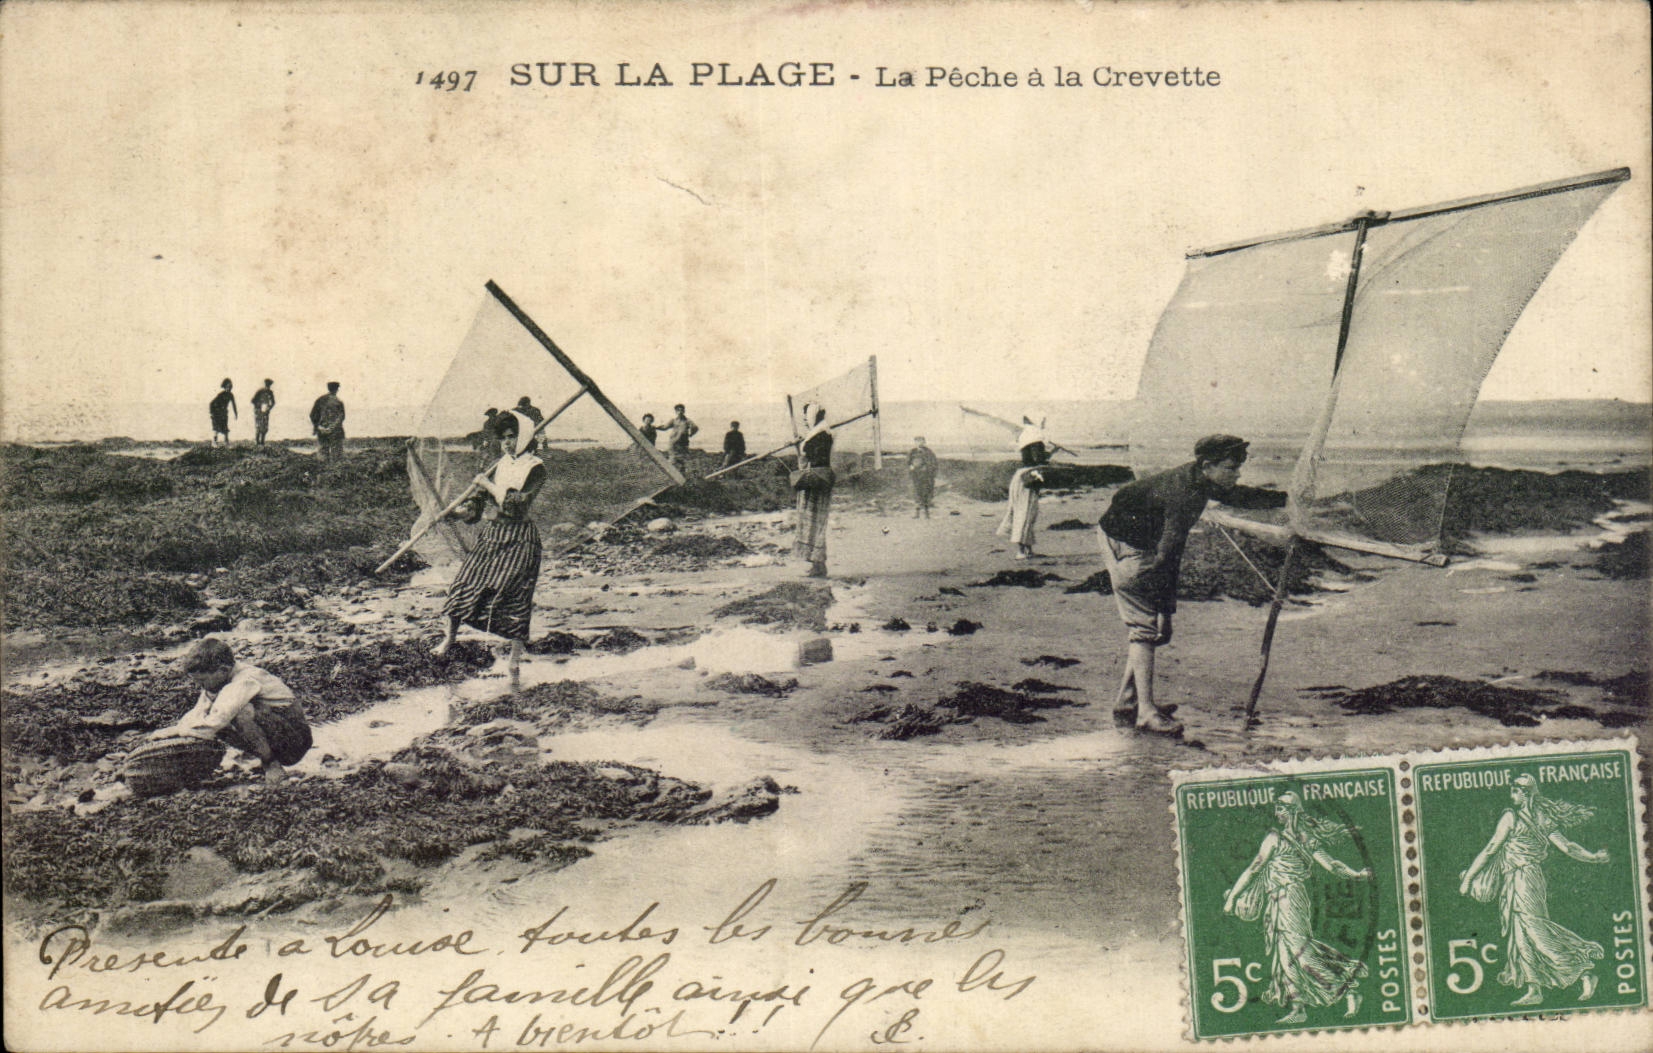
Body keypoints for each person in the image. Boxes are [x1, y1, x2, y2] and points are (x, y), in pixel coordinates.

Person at [1097, 434, 1287, 735]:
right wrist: (1166, 611)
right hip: (1128, 545)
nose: (1237, 474)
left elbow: (1238, 495)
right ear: (1208, 465)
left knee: (1147, 629)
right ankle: (1145, 712)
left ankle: (1127, 701)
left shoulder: (1200, 477)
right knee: (1145, 629)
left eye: (1239, 467)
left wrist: (1287, 500)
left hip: (1128, 536)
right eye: (1231, 468)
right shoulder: (1185, 493)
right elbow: (1168, 555)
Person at [1458, 773, 1608, 1006]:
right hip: (1522, 879)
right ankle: (1534, 988)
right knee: (1521, 934)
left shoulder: (1512, 817)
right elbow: (1568, 847)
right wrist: (1593, 857)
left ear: (1525, 793)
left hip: (1524, 879)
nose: (1511, 795)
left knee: (1535, 929)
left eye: (1514, 790)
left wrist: (1468, 878)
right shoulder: (1541, 817)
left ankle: (1582, 970)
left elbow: (1490, 849)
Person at [1224, 792, 1371, 1024]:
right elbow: (1255, 868)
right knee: (1285, 957)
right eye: (1276, 808)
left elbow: (1331, 864)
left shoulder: (1297, 839)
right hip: (1277, 901)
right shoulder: (1282, 837)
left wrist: (1356, 875)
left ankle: (1348, 990)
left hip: (1291, 898)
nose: (1276, 812)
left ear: (1293, 811)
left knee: (1301, 954)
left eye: (1281, 808)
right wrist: (1234, 896)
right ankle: (1298, 1007)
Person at [434, 410, 545, 676]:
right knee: (465, 581)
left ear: (525, 437)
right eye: (504, 437)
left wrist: (485, 481)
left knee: (516, 596)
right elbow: (478, 504)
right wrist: (457, 513)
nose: (507, 442)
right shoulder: (500, 464)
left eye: (513, 436)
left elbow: (515, 504)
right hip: (494, 534)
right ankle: (449, 639)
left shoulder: (536, 467)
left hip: (520, 539)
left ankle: (515, 658)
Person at [154, 636, 311, 785]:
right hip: (276, 735)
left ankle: (271, 765)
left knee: (239, 714)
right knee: (218, 724)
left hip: (295, 742)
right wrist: (173, 731)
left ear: (222, 670)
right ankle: (266, 758)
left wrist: (184, 732)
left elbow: (217, 720)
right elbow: (200, 712)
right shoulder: (220, 680)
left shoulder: (244, 680)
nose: (200, 686)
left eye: (202, 681)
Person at [997, 417, 1051, 558]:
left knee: (1024, 513)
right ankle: (1022, 551)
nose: (1044, 423)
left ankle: (1027, 549)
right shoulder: (1035, 439)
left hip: (1022, 477)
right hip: (1028, 478)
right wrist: (1046, 461)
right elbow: (1036, 459)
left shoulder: (1028, 437)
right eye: (1042, 421)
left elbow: (1034, 457)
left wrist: (1050, 453)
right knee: (1025, 514)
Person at [792, 402, 834, 578]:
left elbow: (816, 457)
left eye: (805, 417)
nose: (804, 420)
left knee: (815, 523)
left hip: (817, 481)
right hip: (815, 480)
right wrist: (802, 444)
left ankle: (819, 565)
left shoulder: (821, 435)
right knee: (811, 522)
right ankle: (816, 564)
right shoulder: (817, 433)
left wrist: (802, 448)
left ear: (813, 416)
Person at [310, 381, 346, 462]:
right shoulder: (339, 402)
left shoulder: (320, 400)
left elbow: (313, 415)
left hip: (322, 429)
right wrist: (332, 427)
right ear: (337, 389)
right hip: (335, 431)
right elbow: (342, 417)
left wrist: (317, 427)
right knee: (337, 456)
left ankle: (322, 472)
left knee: (322, 454)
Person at [907, 436, 938, 518]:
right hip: (916, 476)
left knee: (925, 493)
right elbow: (908, 461)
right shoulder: (912, 452)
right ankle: (917, 513)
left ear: (924, 442)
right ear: (915, 442)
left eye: (921, 441)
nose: (919, 443)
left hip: (925, 476)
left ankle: (927, 513)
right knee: (917, 493)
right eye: (917, 441)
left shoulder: (928, 452)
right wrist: (911, 466)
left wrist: (927, 469)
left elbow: (933, 462)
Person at [666, 403, 698, 469]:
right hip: (673, 443)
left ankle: (682, 474)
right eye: (678, 410)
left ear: (684, 411)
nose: (680, 412)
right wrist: (655, 427)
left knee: (683, 459)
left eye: (681, 410)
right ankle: (671, 474)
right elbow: (665, 427)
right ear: (675, 411)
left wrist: (691, 434)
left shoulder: (687, 421)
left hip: (683, 443)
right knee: (672, 458)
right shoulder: (673, 420)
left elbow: (695, 427)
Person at [208, 378, 237, 445]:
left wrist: (236, 414)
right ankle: (214, 443)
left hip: (223, 413)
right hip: (216, 413)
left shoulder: (231, 395)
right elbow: (212, 403)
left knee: (225, 429)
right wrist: (212, 413)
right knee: (216, 428)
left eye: (230, 387)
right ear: (225, 387)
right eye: (227, 387)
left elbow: (234, 404)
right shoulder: (221, 395)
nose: (229, 389)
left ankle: (226, 443)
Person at [250, 379, 276, 445]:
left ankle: (262, 441)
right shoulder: (260, 391)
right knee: (258, 425)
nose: (268, 387)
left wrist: (269, 408)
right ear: (265, 384)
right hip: (258, 410)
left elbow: (273, 402)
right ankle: (257, 441)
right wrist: (259, 405)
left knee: (265, 426)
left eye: (269, 385)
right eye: (267, 385)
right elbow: (252, 400)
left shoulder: (270, 392)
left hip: (265, 411)